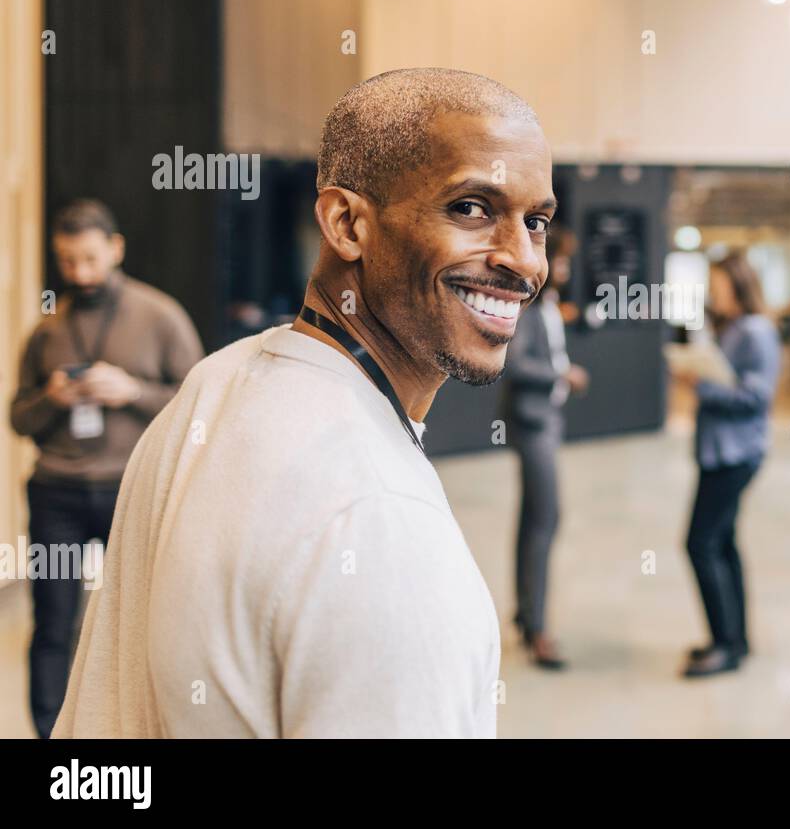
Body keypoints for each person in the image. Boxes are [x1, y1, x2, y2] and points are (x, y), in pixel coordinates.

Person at [54, 68, 555, 737]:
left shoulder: (215, 384)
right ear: (347, 222)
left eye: (538, 221)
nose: (523, 260)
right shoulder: (382, 527)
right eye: (471, 208)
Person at [8, 198, 203, 738]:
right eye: (68, 261)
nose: (80, 273)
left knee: (146, 622)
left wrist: (132, 390)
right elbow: (19, 419)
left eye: (90, 259)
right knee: (53, 625)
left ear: (115, 249)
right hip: (57, 495)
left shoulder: (159, 315)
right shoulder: (48, 325)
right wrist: (50, 398)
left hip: (131, 489)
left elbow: (199, 405)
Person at [677, 252, 781, 678]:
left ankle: (725, 645)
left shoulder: (756, 331)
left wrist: (703, 387)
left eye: (718, 283)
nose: (712, 291)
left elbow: (756, 399)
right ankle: (736, 639)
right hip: (720, 450)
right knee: (723, 542)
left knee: (699, 543)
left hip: (735, 454)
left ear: (738, 285)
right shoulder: (732, 328)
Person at [500, 225, 588, 670]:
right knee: (545, 519)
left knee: (535, 518)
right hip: (533, 424)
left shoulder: (551, 309)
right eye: (563, 260)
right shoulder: (527, 309)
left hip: (548, 421)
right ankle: (536, 629)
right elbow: (514, 364)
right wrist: (562, 375)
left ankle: (525, 613)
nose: (567, 269)